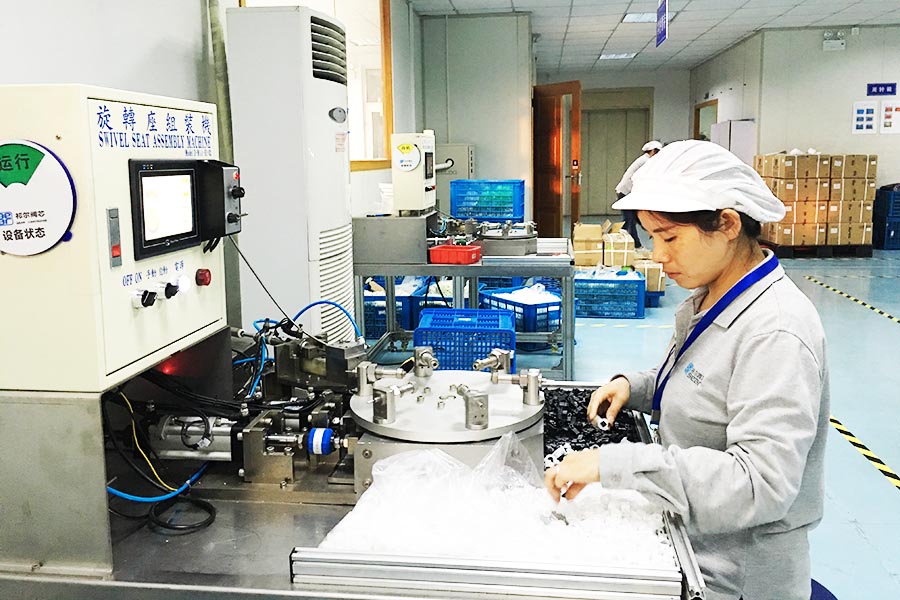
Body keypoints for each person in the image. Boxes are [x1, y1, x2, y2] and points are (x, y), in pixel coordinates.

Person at [546, 140, 829, 600]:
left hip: (736, 576)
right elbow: (700, 379)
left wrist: (616, 464)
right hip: (692, 541)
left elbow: (759, 485)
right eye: (653, 239)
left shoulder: (775, 331)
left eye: (670, 238)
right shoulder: (714, 295)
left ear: (728, 224)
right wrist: (636, 386)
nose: (657, 256)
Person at [615, 140, 662, 248]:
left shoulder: (645, 160)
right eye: (657, 152)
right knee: (629, 221)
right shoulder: (646, 161)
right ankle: (633, 245)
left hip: (628, 193)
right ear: (653, 151)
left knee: (634, 220)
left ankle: (631, 244)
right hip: (626, 193)